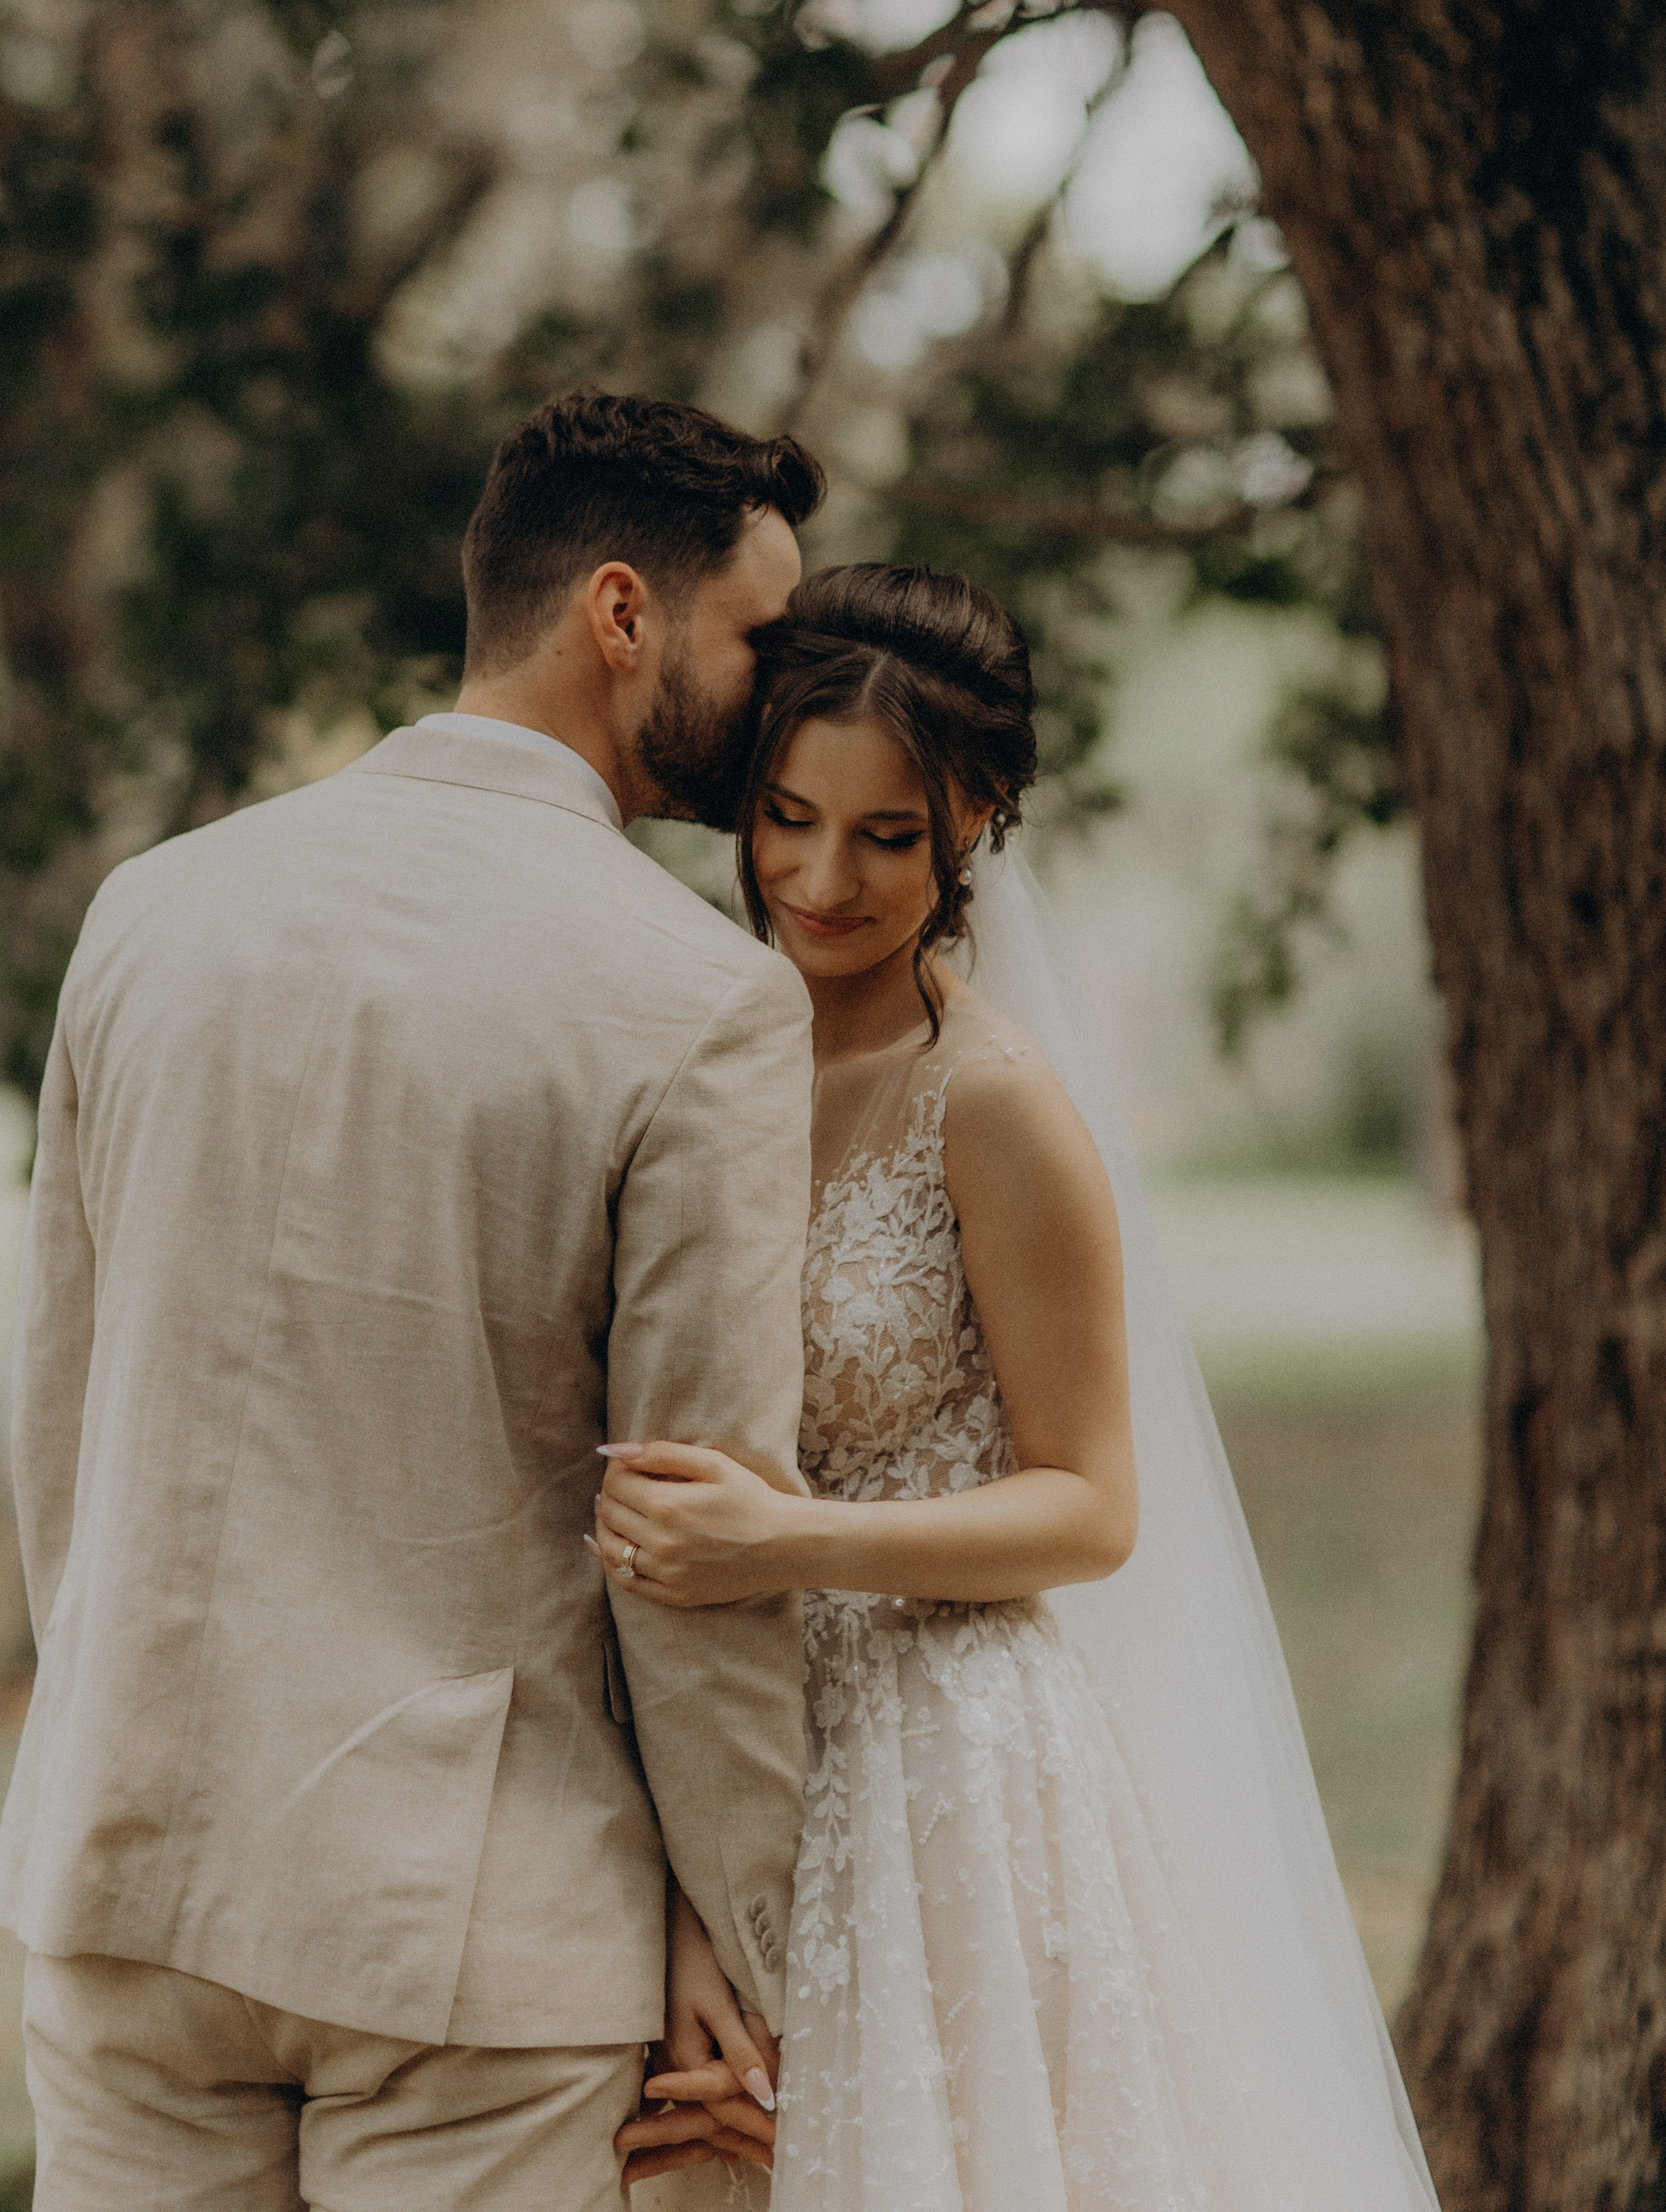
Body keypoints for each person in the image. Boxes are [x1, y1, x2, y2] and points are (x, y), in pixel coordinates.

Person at [0, 390, 827, 2212]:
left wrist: (118, 1715)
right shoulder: (697, 999)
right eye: (760, 634)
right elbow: (691, 1541)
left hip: (125, 1865)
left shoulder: (151, 908)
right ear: (623, 612)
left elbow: (57, 1409)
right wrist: (757, 1958)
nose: (784, 687)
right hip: (480, 1931)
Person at [602, 563, 1442, 2212]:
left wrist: (789, 1544)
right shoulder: (702, 1056)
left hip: (943, 1770)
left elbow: (1090, 1504)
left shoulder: (989, 1105)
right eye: (783, 816)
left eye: (886, 837)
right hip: (731, 1733)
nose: (817, 878)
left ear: (977, 818)